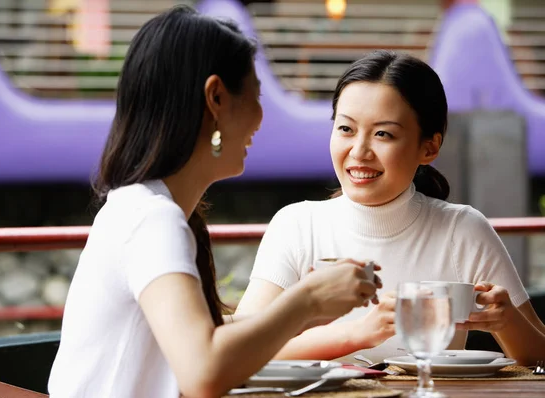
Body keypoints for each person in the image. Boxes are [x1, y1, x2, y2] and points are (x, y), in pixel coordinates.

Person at [47, 6, 378, 398]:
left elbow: (208, 342)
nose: (260, 116)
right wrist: (308, 301)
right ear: (216, 97)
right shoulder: (152, 218)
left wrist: (309, 307)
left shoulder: (142, 207)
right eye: (256, 95)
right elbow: (203, 372)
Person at [236, 50, 545, 365]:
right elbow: (240, 346)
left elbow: (541, 357)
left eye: (383, 134)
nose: (359, 151)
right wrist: (359, 333)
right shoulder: (296, 225)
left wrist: (508, 322)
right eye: (346, 129)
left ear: (429, 147)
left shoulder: (462, 230)